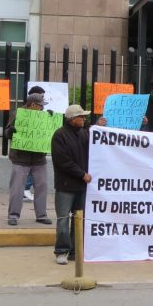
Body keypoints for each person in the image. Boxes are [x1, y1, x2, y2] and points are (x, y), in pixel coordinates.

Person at [51, 104, 93, 265]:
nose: (84, 119)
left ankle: (75, 251)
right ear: (72, 119)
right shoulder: (59, 136)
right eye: (81, 117)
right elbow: (63, 162)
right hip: (66, 186)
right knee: (63, 219)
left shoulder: (84, 134)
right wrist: (82, 174)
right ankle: (61, 251)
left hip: (82, 186)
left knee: (79, 219)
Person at [4, 93, 52, 226]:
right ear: (32, 105)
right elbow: (6, 132)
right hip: (20, 158)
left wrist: (51, 118)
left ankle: (41, 215)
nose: (42, 108)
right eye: (40, 106)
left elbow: (50, 132)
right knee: (17, 188)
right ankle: (13, 215)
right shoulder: (19, 114)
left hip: (38, 158)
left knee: (42, 186)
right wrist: (11, 131)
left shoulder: (44, 116)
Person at [23, 85, 47, 202]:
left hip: (38, 154)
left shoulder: (42, 114)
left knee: (37, 176)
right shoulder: (21, 113)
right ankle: (25, 189)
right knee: (27, 172)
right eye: (41, 98)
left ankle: (26, 189)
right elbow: (8, 132)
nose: (43, 103)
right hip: (23, 154)